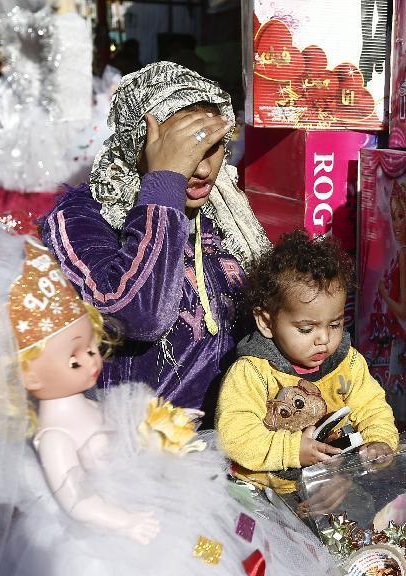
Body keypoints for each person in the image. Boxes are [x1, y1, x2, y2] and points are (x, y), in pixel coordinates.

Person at [0, 226, 348, 576]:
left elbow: (120, 429)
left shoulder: (96, 402)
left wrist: (156, 433)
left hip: (141, 500)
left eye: (91, 348)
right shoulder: (53, 437)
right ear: (28, 373)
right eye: (74, 358)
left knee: (211, 552)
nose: (92, 361)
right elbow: (75, 500)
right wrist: (123, 522)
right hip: (102, 539)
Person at [39, 61, 270, 417]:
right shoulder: (82, 216)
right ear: (140, 143)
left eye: (212, 147)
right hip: (137, 438)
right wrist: (165, 182)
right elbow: (141, 316)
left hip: (235, 430)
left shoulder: (225, 210)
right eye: (184, 149)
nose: (203, 169)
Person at [217, 230, 399, 499]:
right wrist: (292, 450)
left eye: (335, 324)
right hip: (260, 492)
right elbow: (235, 435)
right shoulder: (253, 372)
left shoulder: (348, 364)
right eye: (306, 329)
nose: (323, 339)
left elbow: (372, 406)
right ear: (266, 322)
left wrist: (379, 440)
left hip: (325, 488)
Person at [376, 181, 406, 419]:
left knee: (396, 396)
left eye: (401, 216)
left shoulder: (405, 255)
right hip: (401, 338)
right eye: (394, 216)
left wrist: (384, 294)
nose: (396, 224)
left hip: (401, 339)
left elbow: (403, 309)